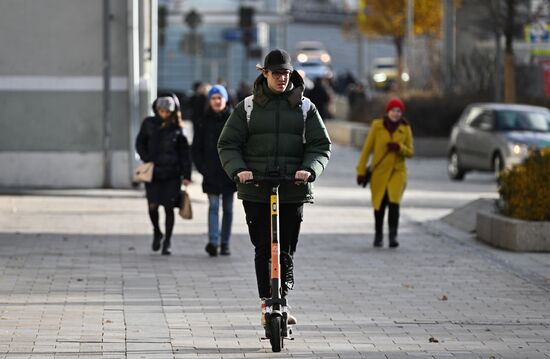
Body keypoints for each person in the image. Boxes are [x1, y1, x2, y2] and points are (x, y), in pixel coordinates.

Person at [217, 49, 331, 326]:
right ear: (264, 74)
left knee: (286, 248)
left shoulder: (305, 107)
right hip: (256, 187)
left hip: (292, 188)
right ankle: (267, 302)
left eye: (286, 73)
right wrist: (239, 170)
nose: (282, 78)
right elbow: (228, 144)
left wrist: (309, 170)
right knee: (263, 248)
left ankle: (283, 300)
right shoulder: (247, 107)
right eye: (276, 73)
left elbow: (320, 146)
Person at [135, 95, 192, 255]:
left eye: (167, 111)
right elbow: (140, 142)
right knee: (152, 205)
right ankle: (157, 231)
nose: (164, 114)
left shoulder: (178, 128)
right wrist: (146, 158)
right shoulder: (149, 123)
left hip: (172, 174)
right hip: (153, 173)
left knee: (169, 208)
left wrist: (186, 175)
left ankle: (167, 241)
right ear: (156, 109)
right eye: (161, 110)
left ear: (173, 112)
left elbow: (185, 154)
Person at [356, 98, 414, 248]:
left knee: (394, 202)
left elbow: (411, 152)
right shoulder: (377, 126)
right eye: (393, 110)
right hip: (379, 172)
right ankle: (378, 235)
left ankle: (393, 236)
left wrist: (400, 147)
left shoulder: (405, 128)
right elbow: (367, 150)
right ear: (388, 111)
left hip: (398, 172)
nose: (396, 114)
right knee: (379, 204)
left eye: (399, 111)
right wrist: (361, 170)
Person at [192, 85, 237, 257]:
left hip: (229, 172)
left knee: (228, 208)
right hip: (210, 172)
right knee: (213, 206)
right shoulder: (203, 120)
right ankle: (213, 242)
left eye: (220, 97)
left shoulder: (234, 119)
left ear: (225, 99)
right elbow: (196, 147)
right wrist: (202, 168)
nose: (217, 101)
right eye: (213, 98)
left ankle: (225, 243)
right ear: (209, 100)